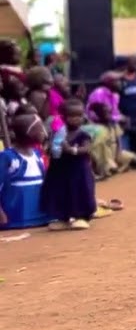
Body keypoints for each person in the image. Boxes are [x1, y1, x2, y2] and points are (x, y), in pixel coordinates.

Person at [43, 99, 97, 231]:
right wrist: (50, 149)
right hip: (60, 170)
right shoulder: (58, 134)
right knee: (61, 192)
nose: (76, 119)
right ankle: (63, 218)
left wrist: (72, 150)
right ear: (63, 117)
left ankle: (82, 217)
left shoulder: (83, 134)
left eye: (79, 115)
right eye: (72, 116)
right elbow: (51, 148)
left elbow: (86, 149)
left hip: (78, 171)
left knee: (79, 191)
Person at [0, 112, 52, 230]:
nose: (43, 133)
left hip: (42, 212)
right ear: (28, 132)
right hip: (17, 215)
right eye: (39, 129)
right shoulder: (7, 157)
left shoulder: (37, 154)